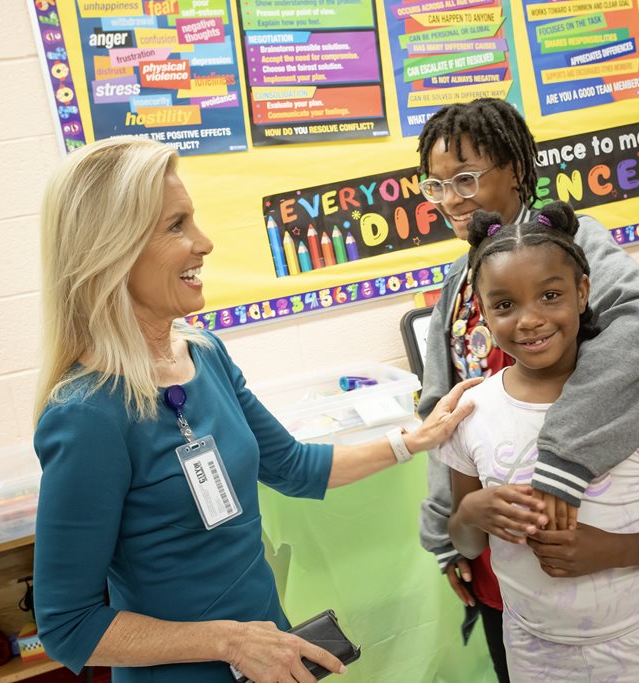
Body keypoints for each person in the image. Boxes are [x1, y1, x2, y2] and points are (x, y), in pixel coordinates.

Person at [32, 136, 480, 683]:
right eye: (177, 226)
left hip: (269, 656)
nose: (204, 242)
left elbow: (291, 466)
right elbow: (67, 624)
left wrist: (413, 440)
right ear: (112, 247)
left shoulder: (204, 354)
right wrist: (230, 640)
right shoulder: (88, 414)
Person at [414, 98, 639, 679]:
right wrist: (448, 535)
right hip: (498, 530)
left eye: (465, 178)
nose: (451, 199)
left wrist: (563, 455)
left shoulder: (573, 244)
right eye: (436, 186)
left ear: (514, 166)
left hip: (583, 516)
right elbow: (444, 415)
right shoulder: (460, 283)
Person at [438, 206, 639, 683]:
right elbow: (465, 540)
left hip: (636, 649)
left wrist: (610, 550)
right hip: (532, 652)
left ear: (582, 292)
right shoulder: (473, 413)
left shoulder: (638, 402)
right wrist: (470, 515)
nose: (529, 320)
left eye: (550, 295)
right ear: (484, 312)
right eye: (505, 305)